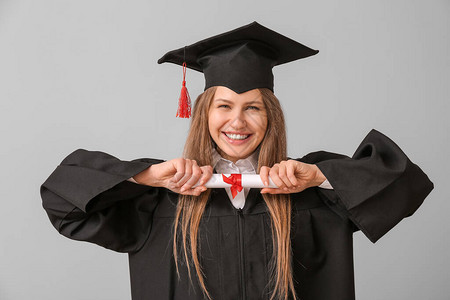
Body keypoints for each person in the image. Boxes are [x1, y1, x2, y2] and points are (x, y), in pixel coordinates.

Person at [40, 22, 434, 300]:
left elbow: (408, 184)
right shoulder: (161, 197)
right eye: (224, 105)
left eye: (254, 108)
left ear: (272, 117)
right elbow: (63, 201)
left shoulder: (313, 191)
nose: (237, 121)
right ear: (203, 114)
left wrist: (319, 176)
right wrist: (146, 176)